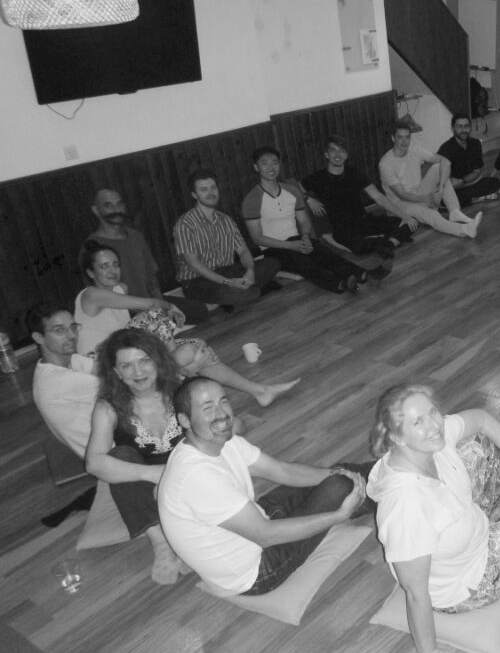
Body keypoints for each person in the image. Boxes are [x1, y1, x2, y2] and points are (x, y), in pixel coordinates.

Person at [365, 384, 500, 653]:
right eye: (418, 422)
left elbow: (481, 418)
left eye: (432, 412)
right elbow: (415, 593)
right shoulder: (406, 507)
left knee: (475, 441)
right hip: (469, 583)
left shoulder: (431, 443)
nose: (433, 425)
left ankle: (498, 507)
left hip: (464, 521)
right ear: (397, 438)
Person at [159, 376, 369, 596]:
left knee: (340, 475)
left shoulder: (221, 441)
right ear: (184, 420)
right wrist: (339, 516)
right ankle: (381, 490)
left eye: (223, 401)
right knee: (339, 487)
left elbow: (282, 471)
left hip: (254, 521)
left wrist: (339, 473)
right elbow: (265, 535)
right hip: (255, 571)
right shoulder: (197, 476)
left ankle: (382, 481)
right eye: (207, 408)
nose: (221, 413)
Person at [76, 240, 298, 407]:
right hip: (102, 364)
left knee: (196, 346)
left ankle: (260, 391)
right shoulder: (91, 295)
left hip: (125, 355)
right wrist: (169, 307)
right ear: (90, 272)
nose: (112, 270)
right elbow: (150, 305)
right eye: (104, 266)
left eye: (115, 264)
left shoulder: (119, 289)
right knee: (155, 314)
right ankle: (182, 367)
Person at [84, 328, 193, 584]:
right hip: (145, 483)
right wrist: (153, 474)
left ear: (158, 361)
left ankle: (186, 534)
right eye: (127, 365)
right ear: (116, 372)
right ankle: (161, 542)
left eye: (144, 360)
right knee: (118, 455)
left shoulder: (182, 389)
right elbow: (93, 462)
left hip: (187, 474)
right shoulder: (108, 406)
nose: (138, 372)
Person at [242, 146, 377, 294]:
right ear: (256, 167)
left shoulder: (292, 191)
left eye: (274, 163)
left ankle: (363, 274)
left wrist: (305, 237)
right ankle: (340, 285)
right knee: (304, 262)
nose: (271, 168)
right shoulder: (252, 200)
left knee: (324, 253)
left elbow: (304, 221)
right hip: (273, 248)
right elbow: (257, 238)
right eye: (264, 163)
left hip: (296, 239)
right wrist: (290, 245)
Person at [85, 188, 210, 325]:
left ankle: (161, 323)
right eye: (108, 205)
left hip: (150, 302)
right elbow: (96, 293)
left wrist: (161, 305)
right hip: (123, 311)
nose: (116, 209)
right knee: (156, 324)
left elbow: (151, 277)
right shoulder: (92, 246)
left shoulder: (136, 236)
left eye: (120, 204)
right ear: (96, 210)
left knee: (199, 311)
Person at [173, 169, 281, 308]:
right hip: (197, 280)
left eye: (213, 188)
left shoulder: (226, 220)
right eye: (204, 190)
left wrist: (250, 271)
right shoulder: (185, 224)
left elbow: (243, 251)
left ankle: (242, 291)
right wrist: (228, 282)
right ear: (194, 194)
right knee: (241, 293)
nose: (211, 193)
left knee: (272, 263)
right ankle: (248, 291)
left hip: (228, 271)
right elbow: (194, 264)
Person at [301, 135, 415, 257]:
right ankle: (391, 241)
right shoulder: (317, 178)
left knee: (412, 223)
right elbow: (294, 189)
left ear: (346, 155)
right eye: (333, 150)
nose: (337, 154)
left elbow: (379, 197)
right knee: (358, 247)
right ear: (326, 154)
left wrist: (404, 216)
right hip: (342, 229)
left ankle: (387, 244)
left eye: (341, 151)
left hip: (363, 221)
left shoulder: (354, 173)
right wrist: (308, 199)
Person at [378, 122, 482, 239]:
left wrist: (441, 188)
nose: (404, 141)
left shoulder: (414, 150)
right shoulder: (386, 164)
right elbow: (402, 194)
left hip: (418, 192)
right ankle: (464, 230)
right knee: (430, 214)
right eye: (400, 137)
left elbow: (445, 161)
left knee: (438, 168)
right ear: (393, 138)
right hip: (398, 204)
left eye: (407, 137)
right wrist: (426, 199)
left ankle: (454, 212)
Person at [29, 302, 98, 458]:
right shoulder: (58, 381)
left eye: (73, 327)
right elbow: (124, 384)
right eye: (59, 330)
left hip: (112, 436)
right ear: (39, 338)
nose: (72, 335)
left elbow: (104, 369)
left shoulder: (69, 360)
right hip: (113, 453)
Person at [437, 113, 500, 208]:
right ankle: (477, 199)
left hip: (470, 183)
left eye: (466, 126)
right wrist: (452, 184)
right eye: (459, 127)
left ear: (470, 128)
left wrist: (463, 181)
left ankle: (470, 200)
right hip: (454, 187)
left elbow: (477, 171)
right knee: (443, 198)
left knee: (495, 182)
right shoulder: (445, 148)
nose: (463, 130)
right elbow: (440, 177)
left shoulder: (475, 144)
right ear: (453, 129)